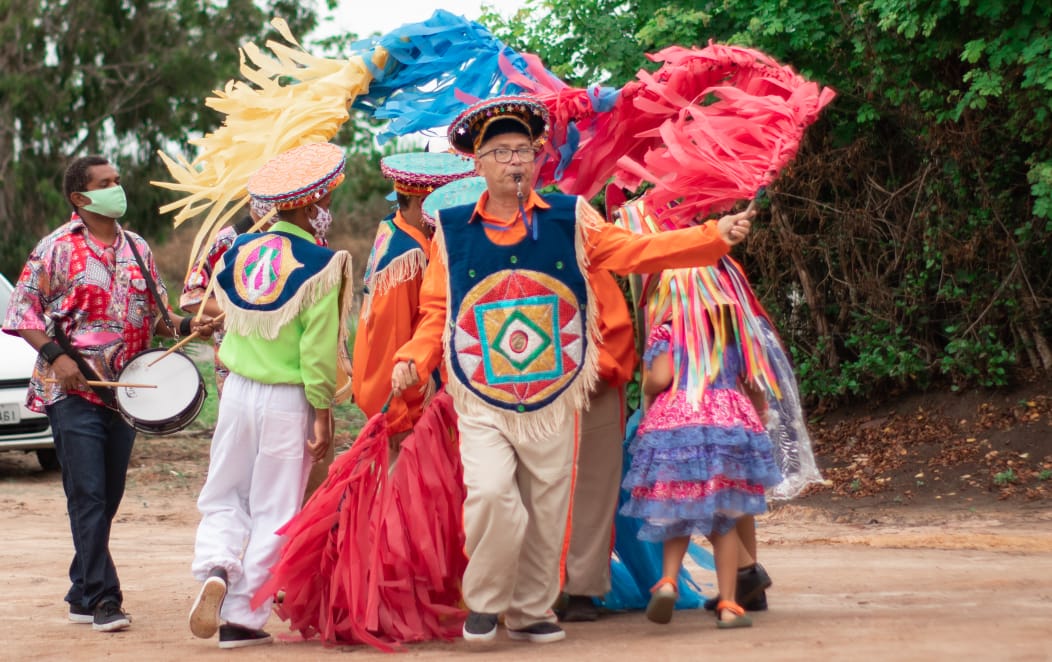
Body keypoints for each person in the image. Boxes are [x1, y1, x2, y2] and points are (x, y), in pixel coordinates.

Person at [390, 95, 755, 644]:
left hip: (553, 390)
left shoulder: (571, 218)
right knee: (490, 493)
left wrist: (711, 238)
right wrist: (412, 360)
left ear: (538, 160)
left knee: (548, 502)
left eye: (524, 150)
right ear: (478, 163)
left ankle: (533, 608)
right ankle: (487, 599)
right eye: (501, 151)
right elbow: (438, 313)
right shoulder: (451, 230)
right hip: (482, 394)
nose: (514, 162)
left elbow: (636, 252)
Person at [2, 155, 213, 633]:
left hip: (126, 394)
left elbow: (160, 314)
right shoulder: (54, 248)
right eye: (105, 183)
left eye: (117, 180)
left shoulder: (137, 247)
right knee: (89, 495)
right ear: (80, 197)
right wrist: (58, 356)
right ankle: (103, 599)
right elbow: (22, 311)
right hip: (72, 389)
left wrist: (190, 326)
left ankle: (80, 587)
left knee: (107, 495)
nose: (117, 188)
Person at [187, 142, 354, 649]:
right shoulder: (323, 263)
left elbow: (217, 315)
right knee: (276, 507)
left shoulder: (236, 253)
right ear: (307, 207)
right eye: (321, 201)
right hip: (288, 399)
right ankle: (241, 616)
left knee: (225, 494)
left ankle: (216, 567)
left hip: (236, 393)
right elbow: (318, 352)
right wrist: (322, 415)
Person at [620, 263, 783, 630]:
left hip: (678, 423)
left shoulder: (666, 330)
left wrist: (647, 380)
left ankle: (668, 581)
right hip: (725, 422)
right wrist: (758, 412)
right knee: (723, 516)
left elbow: (659, 378)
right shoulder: (730, 329)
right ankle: (728, 604)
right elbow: (754, 381)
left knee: (678, 509)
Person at [352, 151, 472, 460]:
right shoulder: (408, 257)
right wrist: (396, 416)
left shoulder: (394, 227)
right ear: (423, 206)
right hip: (406, 404)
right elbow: (388, 340)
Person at [559, 268, 637, 622]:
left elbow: (614, 329)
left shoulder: (586, 264)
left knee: (592, 483)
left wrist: (588, 370)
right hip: (527, 390)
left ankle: (582, 588)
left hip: (591, 383)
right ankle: (540, 586)